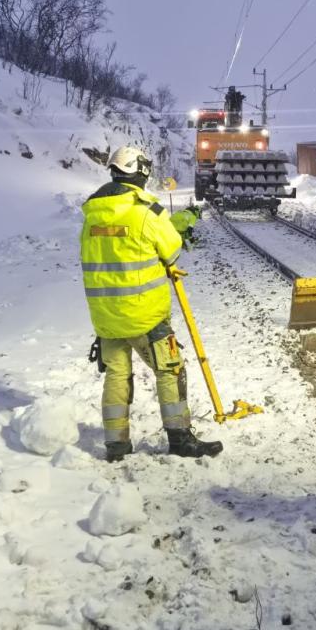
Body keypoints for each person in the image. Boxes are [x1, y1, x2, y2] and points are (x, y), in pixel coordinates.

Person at [80, 145, 223, 462]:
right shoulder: (147, 211)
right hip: (145, 315)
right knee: (170, 371)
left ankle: (116, 446)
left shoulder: (92, 215)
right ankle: (180, 439)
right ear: (140, 172)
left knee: (117, 376)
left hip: (106, 317)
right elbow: (171, 250)